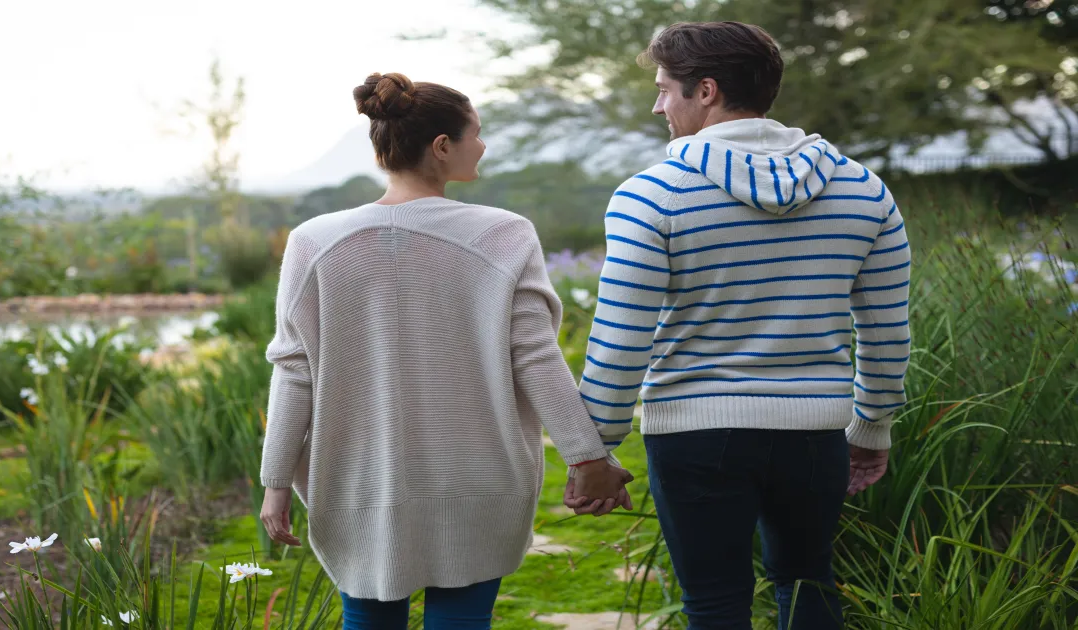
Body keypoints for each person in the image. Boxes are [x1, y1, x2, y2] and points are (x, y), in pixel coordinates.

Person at [257, 72, 633, 630]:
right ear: (441, 147)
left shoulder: (314, 241)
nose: (482, 146)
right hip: (479, 479)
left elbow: (294, 372)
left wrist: (275, 482)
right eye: (475, 133)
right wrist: (586, 457)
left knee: (367, 617)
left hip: (361, 482)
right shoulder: (504, 234)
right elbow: (535, 356)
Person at [569, 22, 911, 629]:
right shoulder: (864, 191)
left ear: (705, 90)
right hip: (816, 431)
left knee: (713, 603)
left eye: (664, 89)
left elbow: (621, 338)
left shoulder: (651, 196)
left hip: (696, 435)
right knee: (809, 584)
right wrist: (872, 426)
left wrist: (594, 447)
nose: (657, 105)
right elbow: (886, 330)